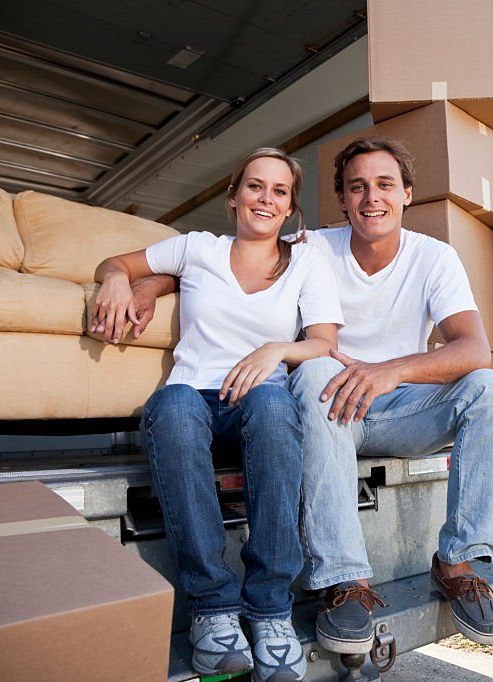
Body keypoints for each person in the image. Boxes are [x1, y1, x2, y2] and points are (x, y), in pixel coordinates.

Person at [130, 137, 493, 654]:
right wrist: (142, 286)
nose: (371, 198)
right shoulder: (312, 249)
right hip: (330, 412)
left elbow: (474, 348)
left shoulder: (435, 258)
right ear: (342, 199)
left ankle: (457, 562)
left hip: (402, 408)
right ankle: (346, 582)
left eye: (384, 185)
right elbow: (226, 264)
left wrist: (390, 372)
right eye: (357, 187)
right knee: (313, 372)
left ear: (406, 194)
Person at [91, 147, 342, 681]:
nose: (265, 199)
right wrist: (118, 280)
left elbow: (322, 343)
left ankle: (271, 611)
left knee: (275, 405)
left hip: (259, 401)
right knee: (173, 404)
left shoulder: (307, 261)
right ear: (233, 197)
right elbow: (118, 263)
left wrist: (276, 350)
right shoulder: (197, 249)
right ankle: (213, 610)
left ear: (291, 206)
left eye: (279, 191)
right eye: (255, 186)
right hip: (194, 398)